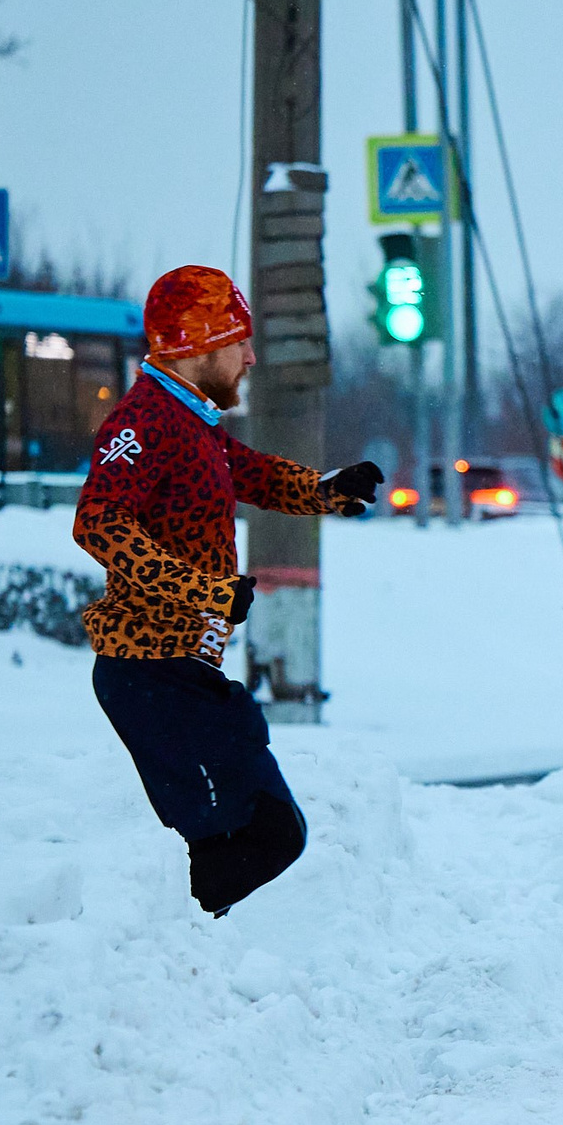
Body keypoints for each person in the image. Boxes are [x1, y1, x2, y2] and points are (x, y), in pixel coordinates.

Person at [73, 266, 382, 915]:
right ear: (197, 346)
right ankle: (141, 944)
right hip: (149, 674)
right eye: (237, 342)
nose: (249, 357)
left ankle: (174, 949)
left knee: (266, 831)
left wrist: (326, 489)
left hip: (183, 672)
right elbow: (98, 522)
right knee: (263, 834)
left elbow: (255, 476)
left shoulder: (194, 424)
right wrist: (201, 592)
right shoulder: (143, 424)